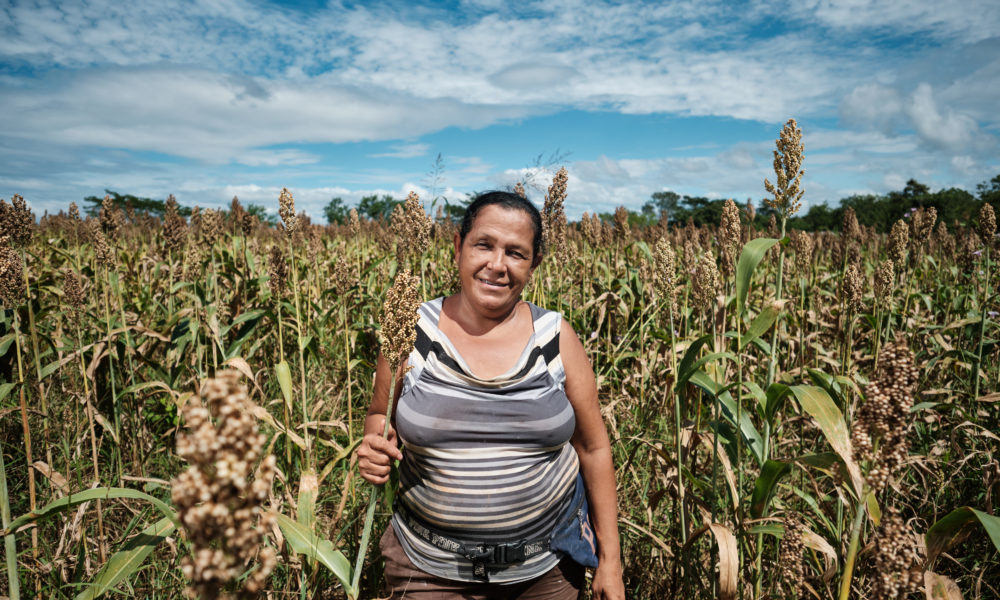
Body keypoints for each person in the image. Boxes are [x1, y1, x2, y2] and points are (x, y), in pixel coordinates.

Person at [358, 191, 625, 600]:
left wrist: (611, 562)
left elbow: (594, 449)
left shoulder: (555, 336)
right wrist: (375, 446)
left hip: (545, 570)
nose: (497, 265)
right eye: (484, 245)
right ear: (458, 246)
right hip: (429, 570)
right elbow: (381, 415)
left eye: (516, 253)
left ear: (534, 262)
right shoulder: (412, 331)